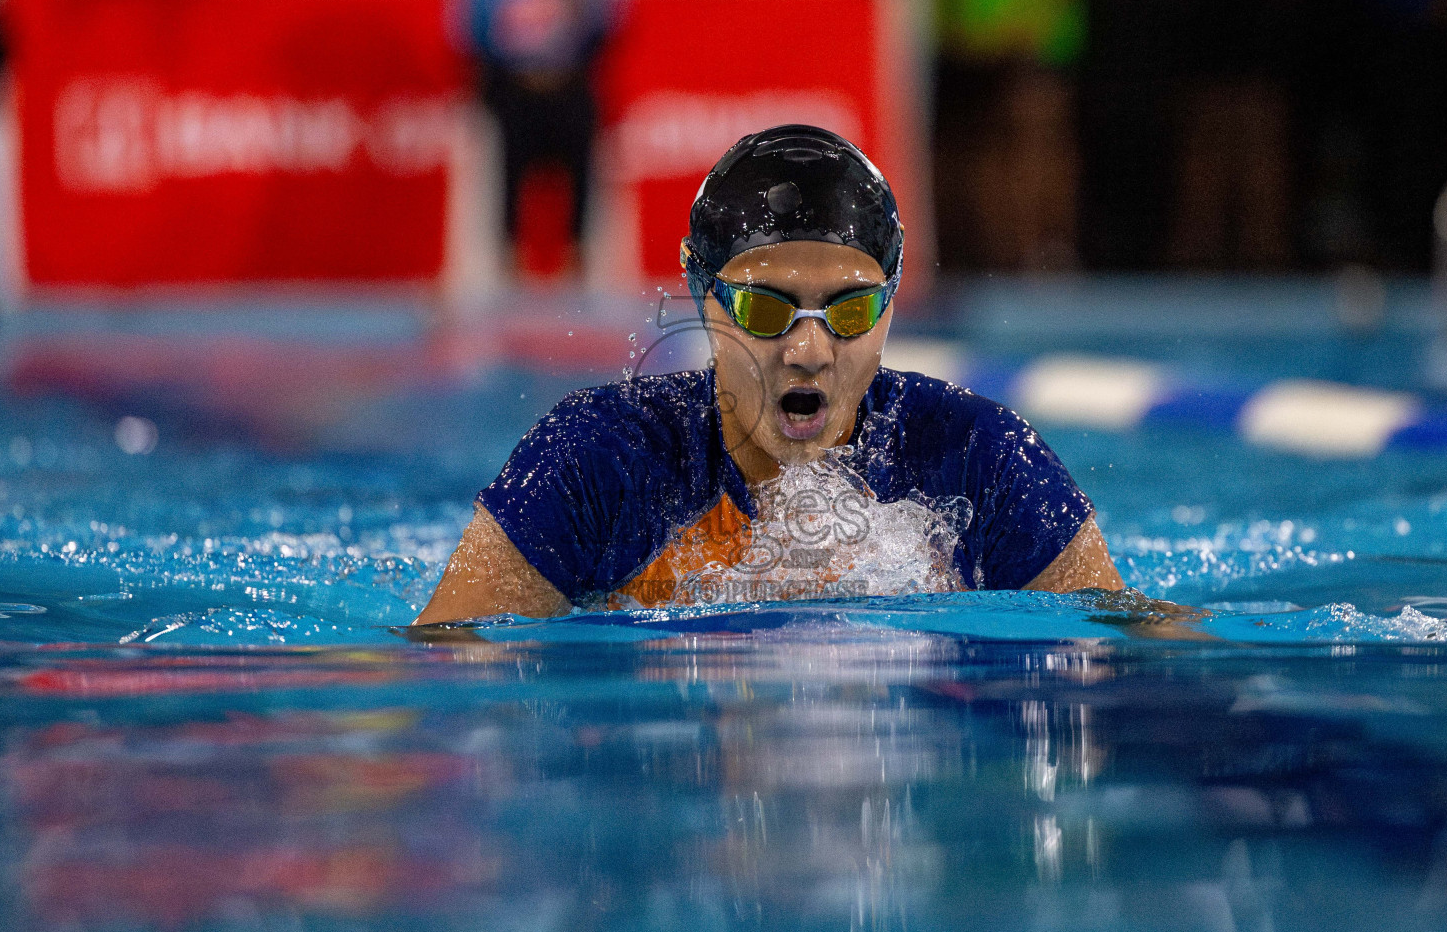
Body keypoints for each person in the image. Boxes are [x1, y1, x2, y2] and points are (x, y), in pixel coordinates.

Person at [415, 124, 1124, 625]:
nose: (809, 349)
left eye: (849, 310)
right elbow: (444, 668)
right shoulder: (598, 458)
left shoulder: (983, 459)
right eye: (763, 308)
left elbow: (1131, 654)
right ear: (702, 294)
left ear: (892, 299)